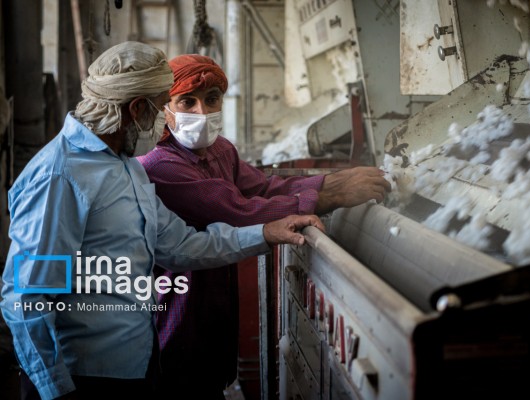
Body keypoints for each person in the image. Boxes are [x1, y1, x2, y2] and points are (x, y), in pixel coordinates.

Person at [0, 42, 324, 400]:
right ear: (137, 109)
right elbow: (27, 295)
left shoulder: (125, 167)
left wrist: (265, 232)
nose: (163, 122)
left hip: (137, 367)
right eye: (159, 108)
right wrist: (54, 389)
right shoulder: (61, 176)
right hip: (84, 380)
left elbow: (180, 244)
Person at [137, 54, 391, 398]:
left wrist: (327, 183)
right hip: (181, 306)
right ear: (165, 109)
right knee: (181, 379)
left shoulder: (221, 151)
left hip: (216, 302)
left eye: (211, 99)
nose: (201, 112)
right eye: (187, 101)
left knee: (210, 378)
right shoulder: (161, 168)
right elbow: (238, 211)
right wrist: (333, 194)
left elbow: (264, 188)